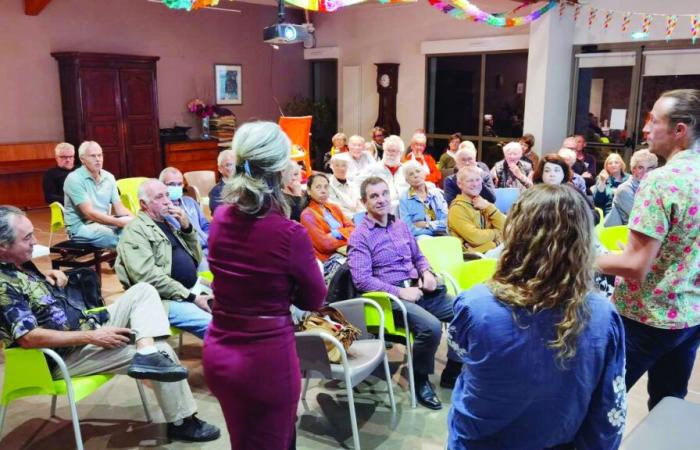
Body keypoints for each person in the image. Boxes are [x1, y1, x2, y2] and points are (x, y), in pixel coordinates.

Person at [0, 206, 220, 442]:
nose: (35, 241)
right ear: (3, 246)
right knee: (163, 351)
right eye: (27, 237)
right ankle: (182, 421)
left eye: (33, 234)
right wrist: (92, 337)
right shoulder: (3, 285)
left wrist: (52, 278)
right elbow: (29, 337)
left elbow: (36, 297)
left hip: (87, 324)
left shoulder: (20, 262)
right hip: (66, 354)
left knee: (143, 291)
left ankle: (145, 351)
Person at [447, 184, 626, 449]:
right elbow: (609, 408)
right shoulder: (602, 315)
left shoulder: (474, 305)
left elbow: (461, 353)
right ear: (584, 239)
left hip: (480, 440)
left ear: (516, 233)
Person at [203, 121, 326, 450]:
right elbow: (315, 298)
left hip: (220, 352)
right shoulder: (289, 234)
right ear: (280, 170)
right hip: (265, 360)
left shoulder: (220, 219)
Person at [597, 89, 700, 411]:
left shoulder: (661, 180)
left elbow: (636, 265)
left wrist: (580, 259)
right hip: (691, 315)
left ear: (679, 130)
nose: (645, 129)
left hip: (646, 317)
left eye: (654, 120)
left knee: (600, 404)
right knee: (668, 405)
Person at [348, 176, 462, 410]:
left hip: (421, 289)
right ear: (364, 202)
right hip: (393, 300)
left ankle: (452, 370)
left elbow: (418, 256)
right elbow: (361, 280)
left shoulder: (399, 224)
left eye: (384, 194)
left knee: (465, 311)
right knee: (430, 328)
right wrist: (400, 291)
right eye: (374, 196)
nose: (381, 200)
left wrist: (427, 272)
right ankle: (420, 379)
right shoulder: (360, 236)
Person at [115, 179, 212, 339]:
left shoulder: (169, 223)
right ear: (144, 204)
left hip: (192, 289)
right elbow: (147, 277)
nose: (167, 201)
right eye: (159, 197)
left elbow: (196, 258)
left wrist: (187, 228)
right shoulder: (134, 231)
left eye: (167, 195)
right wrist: (192, 298)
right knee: (213, 326)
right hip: (164, 300)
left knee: (238, 307)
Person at [63, 141, 133, 248]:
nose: (98, 159)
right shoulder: (74, 179)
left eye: (100, 155)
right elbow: (89, 214)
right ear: (82, 159)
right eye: (93, 156)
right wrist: (118, 222)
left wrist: (136, 220)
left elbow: (120, 208)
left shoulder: (109, 177)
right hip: (81, 227)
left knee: (134, 232)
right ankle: (123, 262)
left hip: (103, 223)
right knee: (113, 237)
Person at [300, 173, 354, 281]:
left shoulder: (334, 207)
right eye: (318, 187)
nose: (323, 190)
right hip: (328, 261)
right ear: (309, 191)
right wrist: (345, 235)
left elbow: (353, 229)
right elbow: (325, 245)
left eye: (326, 187)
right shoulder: (307, 215)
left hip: (346, 251)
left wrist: (336, 234)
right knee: (355, 267)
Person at [448, 166, 505, 255]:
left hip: (489, 251)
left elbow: (505, 227)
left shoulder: (484, 204)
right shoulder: (457, 208)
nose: (475, 184)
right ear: (459, 184)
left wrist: (489, 207)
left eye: (478, 180)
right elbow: (476, 238)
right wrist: (496, 237)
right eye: (470, 181)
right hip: (470, 258)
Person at [532, 154, 599, 225]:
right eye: (547, 171)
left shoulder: (572, 191)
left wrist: (571, 219)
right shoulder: (534, 193)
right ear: (541, 173)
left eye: (556, 170)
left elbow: (594, 215)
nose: (552, 174)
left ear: (563, 173)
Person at [159, 167, 210, 260]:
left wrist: (210, 240)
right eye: (171, 184)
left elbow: (206, 225)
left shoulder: (190, 202)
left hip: (209, 248)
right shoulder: (162, 211)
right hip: (191, 253)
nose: (176, 187)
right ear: (161, 185)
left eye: (179, 184)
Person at [603, 149, 658, 227]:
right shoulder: (625, 189)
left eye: (649, 168)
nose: (645, 172)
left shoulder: (652, 187)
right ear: (633, 169)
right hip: (619, 234)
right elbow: (641, 219)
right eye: (640, 167)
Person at [398, 161, 448, 239]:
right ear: (407, 180)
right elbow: (408, 228)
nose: (416, 175)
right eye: (411, 174)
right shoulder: (404, 198)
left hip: (442, 234)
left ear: (424, 173)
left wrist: (426, 224)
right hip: (420, 237)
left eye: (418, 171)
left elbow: (446, 221)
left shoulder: (437, 193)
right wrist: (434, 230)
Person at [365, 135, 409, 213]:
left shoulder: (406, 170)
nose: (390, 154)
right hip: (382, 210)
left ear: (400, 153)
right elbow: (358, 185)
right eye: (388, 150)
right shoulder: (372, 168)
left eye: (393, 151)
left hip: (405, 210)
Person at [327, 152, 364, 221]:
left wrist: (363, 217)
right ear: (331, 167)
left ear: (348, 167)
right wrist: (355, 219)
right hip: (344, 222)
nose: (340, 168)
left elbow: (360, 204)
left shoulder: (353, 185)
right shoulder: (328, 185)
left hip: (360, 219)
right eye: (337, 165)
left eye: (344, 165)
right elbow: (337, 209)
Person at [208, 149, 235, 215]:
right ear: (220, 169)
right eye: (229, 165)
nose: (234, 168)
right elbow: (219, 216)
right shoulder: (216, 192)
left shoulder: (247, 184)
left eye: (236, 164)